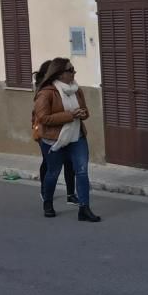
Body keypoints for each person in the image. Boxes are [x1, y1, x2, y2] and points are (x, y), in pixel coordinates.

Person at [33, 57, 101, 222]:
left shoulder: (77, 90)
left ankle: (84, 209)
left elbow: (85, 111)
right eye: (70, 70)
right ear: (59, 74)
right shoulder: (46, 93)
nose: (74, 73)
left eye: (73, 69)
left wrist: (82, 114)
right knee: (53, 173)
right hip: (54, 139)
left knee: (82, 172)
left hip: (77, 137)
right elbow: (43, 118)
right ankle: (48, 202)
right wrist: (70, 115)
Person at [33, 60, 76, 205]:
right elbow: (41, 116)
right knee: (49, 162)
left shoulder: (66, 88)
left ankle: (71, 194)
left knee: (69, 162)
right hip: (46, 132)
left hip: (65, 130)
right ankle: (45, 192)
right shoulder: (45, 91)